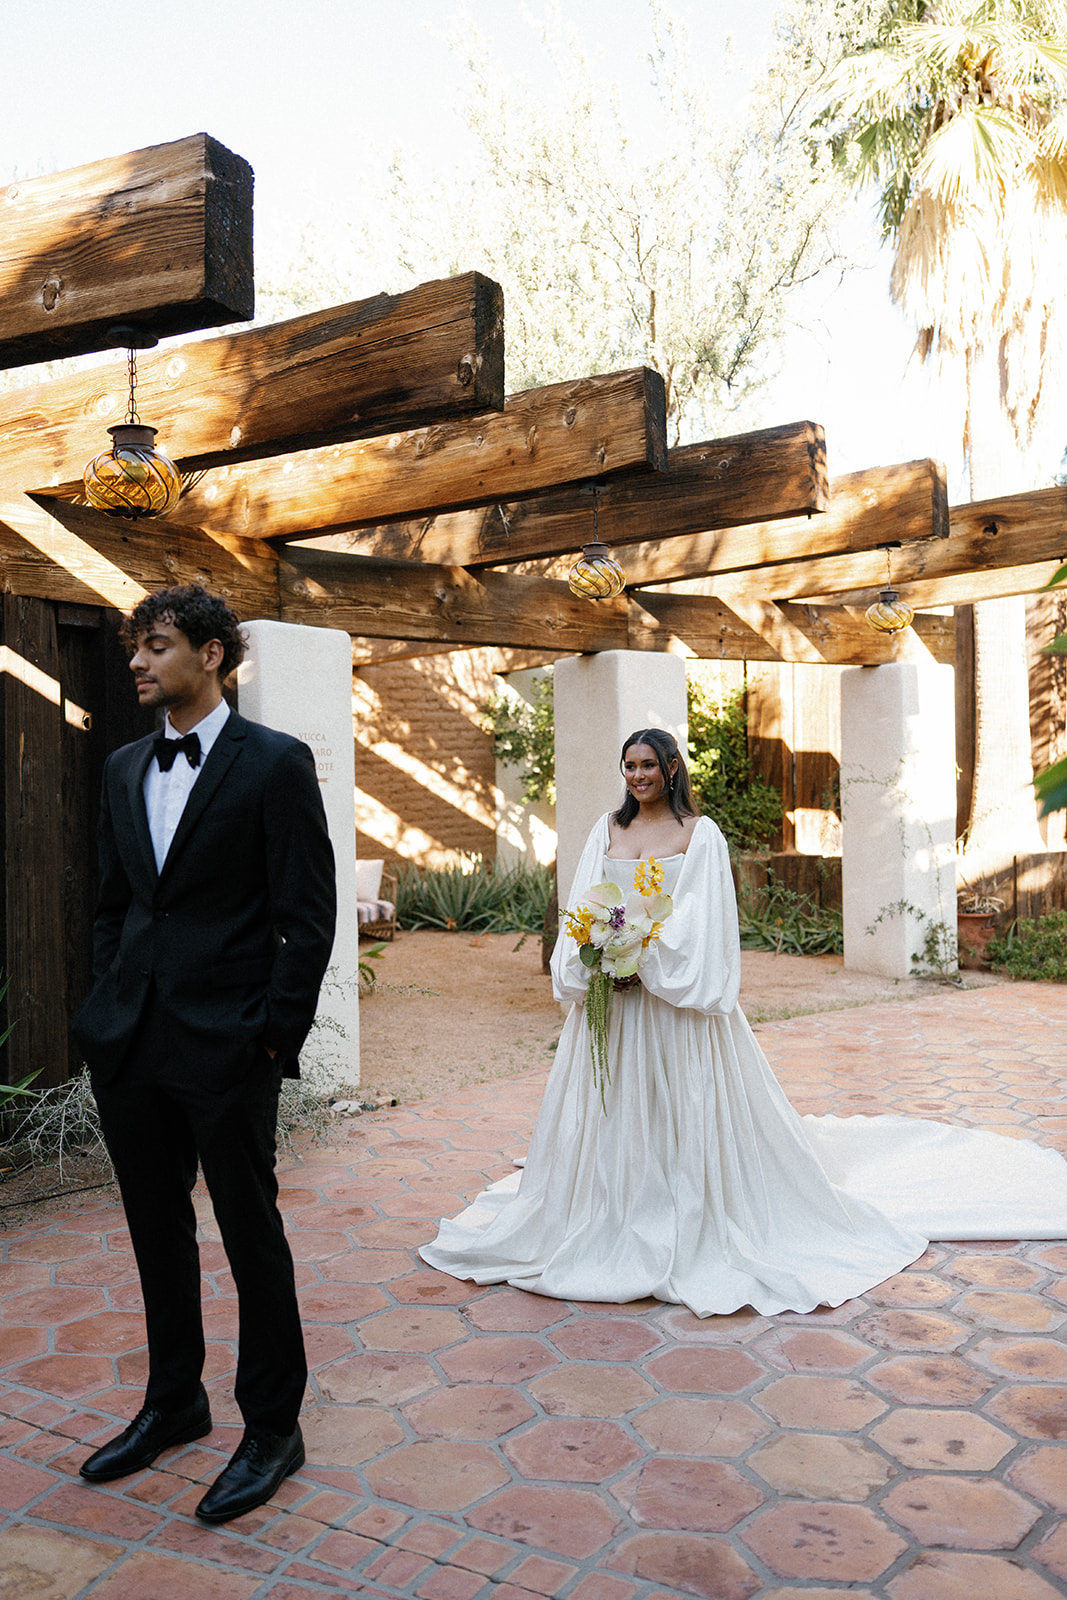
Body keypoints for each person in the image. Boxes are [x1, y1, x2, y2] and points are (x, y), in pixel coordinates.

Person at [421, 727, 1067, 1315]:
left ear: (671, 768)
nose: (637, 776)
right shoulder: (605, 831)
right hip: (614, 1009)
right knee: (615, 1113)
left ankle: (687, 1219)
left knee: (682, 1115)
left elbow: (703, 927)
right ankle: (608, 1217)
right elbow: (584, 903)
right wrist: (596, 954)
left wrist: (642, 956)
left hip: (672, 1012)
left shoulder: (699, 836)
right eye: (629, 766)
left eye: (647, 765)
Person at [72, 584, 336, 1523]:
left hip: (230, 1046)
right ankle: (174, 1402)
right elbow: (115, 904)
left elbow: (306, 920)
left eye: (157, 646)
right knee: (154, 1230)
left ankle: (273, 1425)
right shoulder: (121, 768)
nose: (138, 662)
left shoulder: (274, 763)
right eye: (136, 648)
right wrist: (108, 1007)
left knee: (248, 1230)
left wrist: (270, 1038)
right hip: (132, 1042)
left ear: (214, 655)